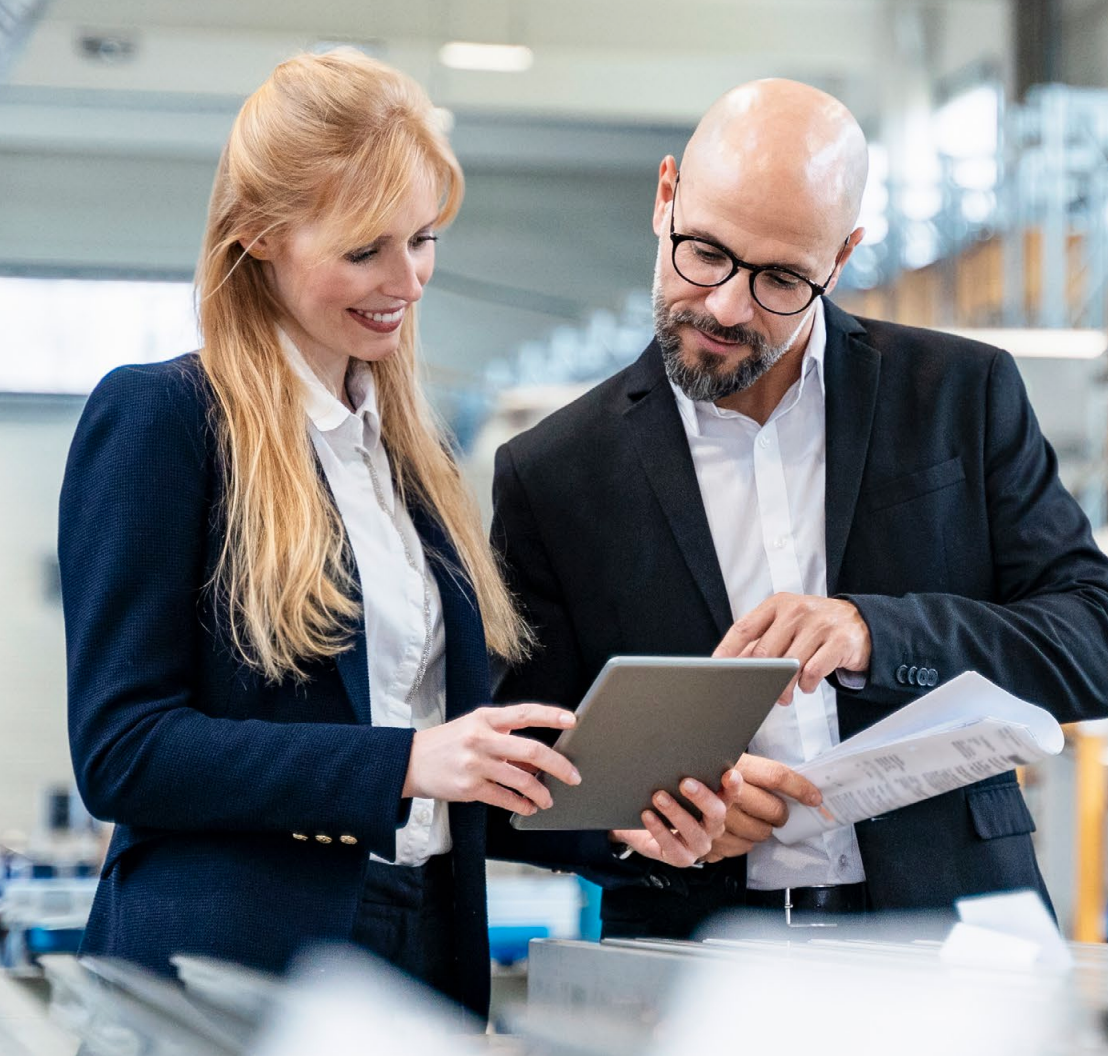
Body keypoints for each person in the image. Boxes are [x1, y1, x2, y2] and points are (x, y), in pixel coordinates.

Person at [58, 49, 728, 1018]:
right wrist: (406, 761)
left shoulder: (406, 463)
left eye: (422, 240)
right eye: (363, 249)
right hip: (234, 965)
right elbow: (123, 750)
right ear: (256, 237)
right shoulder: (165, 420)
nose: (405, 281)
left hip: (421, 946)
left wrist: (618, 818)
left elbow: (451, 781)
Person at [491, 78, 1108, 939]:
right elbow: (520, 763)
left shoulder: (959, 395)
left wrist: (876, 633)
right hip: (701, 956)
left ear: (843, 257)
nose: (727, 307)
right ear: (665, 195)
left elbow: (1094, 635)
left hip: (961, 937)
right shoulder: (553, 473)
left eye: (782, 278)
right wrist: (643, 827)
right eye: (703, 252)